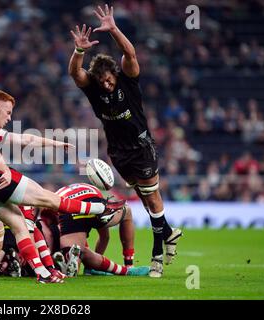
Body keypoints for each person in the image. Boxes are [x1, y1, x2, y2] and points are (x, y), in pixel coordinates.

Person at [0, 89, 123, 282]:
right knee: (49, 199)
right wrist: (6, 171)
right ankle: (101, 207)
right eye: (8, 113)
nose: (9, 118)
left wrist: (56, 144)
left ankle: (42, 273)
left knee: (19, 226)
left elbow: (26, 139)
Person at [68, 4, 182, 277]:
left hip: (141, 147)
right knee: (145, 201)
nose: (106, 85)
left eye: (109, 80)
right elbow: (75, 73)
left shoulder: (128, 80)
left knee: (153, 201)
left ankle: (157, 259)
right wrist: (79, 51)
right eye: (102, 81)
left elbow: (129, 53)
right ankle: (169, 232)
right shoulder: (94, 89)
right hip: (118, 153)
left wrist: (114, 29)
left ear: (115, 75)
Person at [38, 183, 149, 277]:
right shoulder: (86, 189)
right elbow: (105, 237)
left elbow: (48, 233)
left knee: (78, 252)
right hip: (94, 204)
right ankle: (128, 265)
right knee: (127, 211)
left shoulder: (48, 209)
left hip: (68, 209)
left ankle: (63, 259)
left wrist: (48, 252)